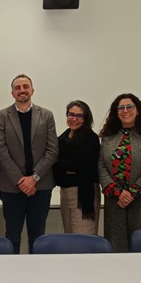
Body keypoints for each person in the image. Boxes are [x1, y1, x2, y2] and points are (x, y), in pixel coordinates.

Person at [0, 74, 58, 254]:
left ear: (32, 90)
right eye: (18, 87)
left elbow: (52, 150)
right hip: (11, 186)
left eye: (25, 86)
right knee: (12, 236)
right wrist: (21, 181)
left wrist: (33, 178)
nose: (22, 90)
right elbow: (0, 151)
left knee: (38, 237)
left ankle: (37, 271)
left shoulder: (46, 115)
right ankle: (12, 270)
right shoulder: (1, 117)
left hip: (41, 186)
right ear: (12, 93)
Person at [99, 93, 141, 252]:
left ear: (137, 110)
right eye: (121, 107)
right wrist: (118, 192)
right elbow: (101, 165)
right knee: (116, 245)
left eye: (129, 107)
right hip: (115, 200)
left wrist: (131, 193)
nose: (125, 110)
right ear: (116, 112)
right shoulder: (108, 136)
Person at [53, 100, 101, 234]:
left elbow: (83, 165)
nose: (74, 119)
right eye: (71, 114)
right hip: (65, 193)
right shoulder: (64, 136)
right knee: (69, 236)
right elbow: (56, 161)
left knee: (83, 238)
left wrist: (59, 165)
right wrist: (65, 167)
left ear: (86, 118)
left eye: (79, 116)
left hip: (83, 194)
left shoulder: (90, 138)